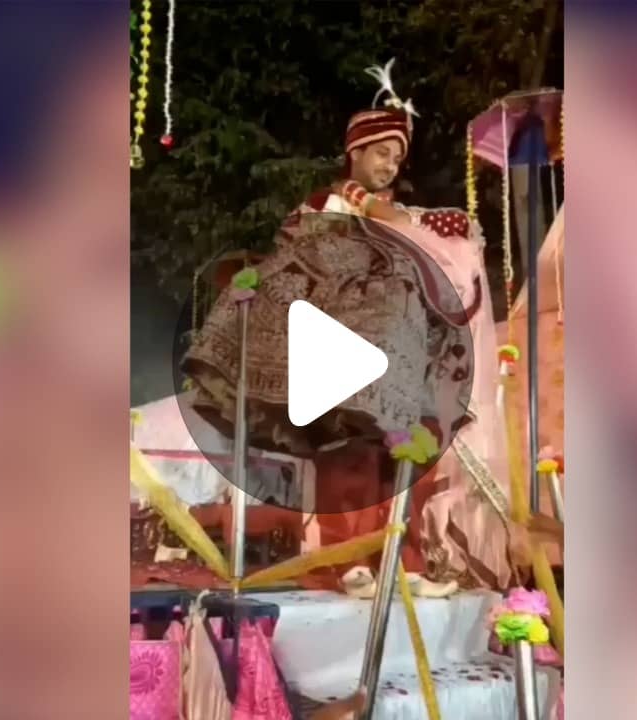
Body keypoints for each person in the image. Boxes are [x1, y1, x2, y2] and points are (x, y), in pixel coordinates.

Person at [184, 61, 515, 595]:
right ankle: (345, 564)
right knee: (347, 457)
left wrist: (441, 227)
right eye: (381, 152)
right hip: (334, 353)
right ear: (354, 152)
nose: (389, 165)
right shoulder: (322, 206)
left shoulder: (397, 213)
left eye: (397, 158)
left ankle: (402, 565)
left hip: (392, 363)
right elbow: (297, 261)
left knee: (400, 457)